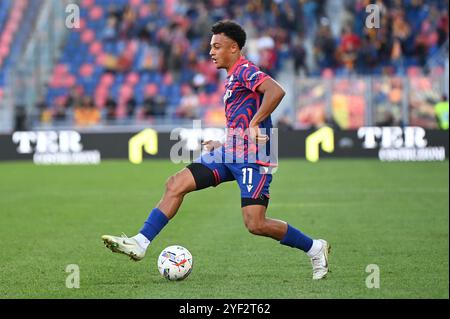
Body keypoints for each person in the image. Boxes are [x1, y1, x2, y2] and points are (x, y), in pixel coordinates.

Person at [102, 20, 330, 280]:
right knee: (176, 183)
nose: (211, 52)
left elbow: (276, 91)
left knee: (255, 223)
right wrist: (224, 143)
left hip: (254, 157)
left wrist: (256, 123)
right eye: (211, 46)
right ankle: (140, 242)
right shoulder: (232, 77)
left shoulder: (245, 70)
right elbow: (242, 117)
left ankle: (315, 247)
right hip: (230, 151)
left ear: (234, 48)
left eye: (217, 46)